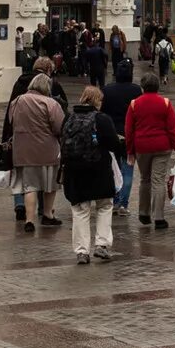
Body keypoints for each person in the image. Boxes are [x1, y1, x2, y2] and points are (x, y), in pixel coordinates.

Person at [60, 85, 127, 265]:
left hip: (75, 171)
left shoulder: (69, 118)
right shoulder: (102, 119)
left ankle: (82, 251)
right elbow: (113, 144)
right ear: (98, 101)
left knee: (80, 210)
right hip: (98, 170)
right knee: (105, 205)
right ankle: (101, 245)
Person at [7, 73, 67, 231]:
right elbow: (59, 127)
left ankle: (30, 220)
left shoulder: (17, 101)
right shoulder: (50, 103)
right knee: (50, 185)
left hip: (24, 150)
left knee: (30, 186)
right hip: (47, 150)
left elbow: (10, 121)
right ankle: (48, 215)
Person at [124, 72, 175, 231]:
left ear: (142, 87)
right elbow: (173, 128)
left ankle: (143, 213)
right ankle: (159, 217)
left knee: (145, 179)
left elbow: (129, 130)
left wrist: (130, 151)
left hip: (142, 146)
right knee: (158, 180)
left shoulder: (134, 104)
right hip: (162, 146)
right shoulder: (165, 103)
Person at [102, 59, 144, 215]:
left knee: (114, 169)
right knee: (128, 169)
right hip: (129, 134)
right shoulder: (136, 90)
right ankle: (123, 204)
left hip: (112, 134)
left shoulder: (107, 90)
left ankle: (114, 199)